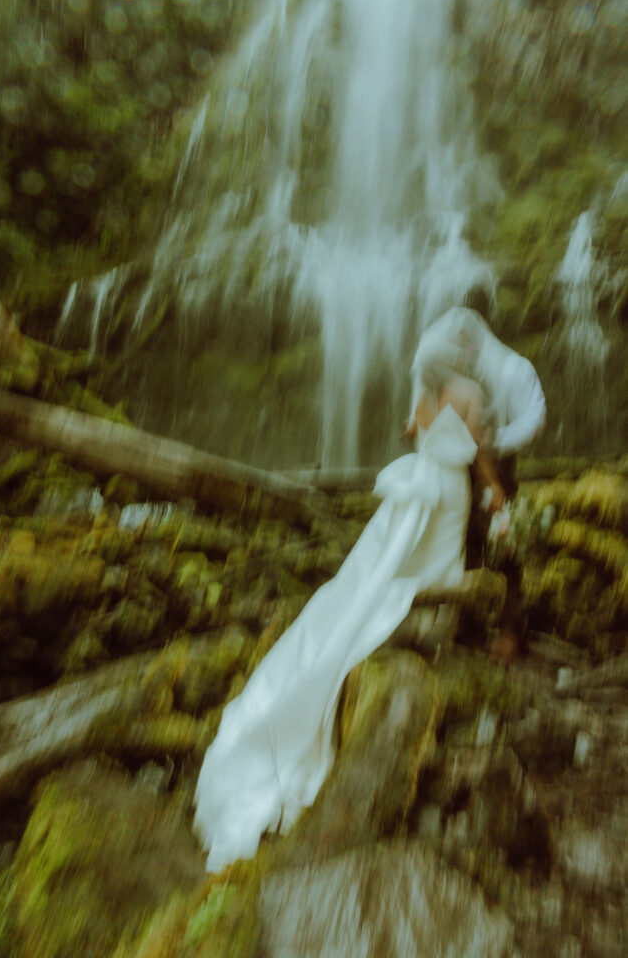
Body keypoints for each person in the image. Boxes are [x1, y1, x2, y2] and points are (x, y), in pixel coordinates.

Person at [193, 338, 504, 873]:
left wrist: (430, 436)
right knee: (401, 570)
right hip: (445, 494)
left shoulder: (434, 391)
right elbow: (473, 444)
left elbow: (419, 430)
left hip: (431, 486)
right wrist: (494, 490)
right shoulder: (470, 392)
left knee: (358, 585)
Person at [412, 307, 546, 652]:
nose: (461, 350)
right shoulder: (455, 383)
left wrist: (496, 444)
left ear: (479, 339)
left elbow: (533, 419)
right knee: (464, 545)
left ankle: (512, 631)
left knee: (504, 545)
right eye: (455, 345)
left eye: (465, 343)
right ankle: (468, 627)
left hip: (494, 467)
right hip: (460, 476)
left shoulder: (513, 370)